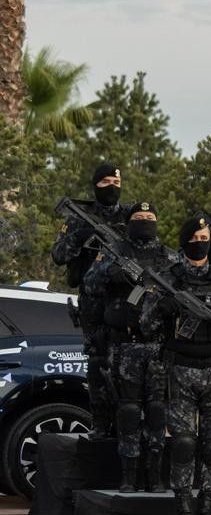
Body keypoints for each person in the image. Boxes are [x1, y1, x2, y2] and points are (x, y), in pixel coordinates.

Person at [140, 217, 211, 515]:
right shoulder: (165, 280)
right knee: (184, 444)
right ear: (185, 240)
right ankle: (183, 512)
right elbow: (145, 325)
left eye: (205, 237)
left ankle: (208, 510)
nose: (200, 242)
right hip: (180, 371)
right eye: (195, 237)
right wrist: (162, 307)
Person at [81, 201, 177, 492]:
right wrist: (112, 274)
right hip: (124, 346)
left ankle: (156, 476)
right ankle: (129, 477)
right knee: (128, 413)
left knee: (158, 412)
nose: (145, 221)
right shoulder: (114, 252)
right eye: (139, 217)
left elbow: (182, 288)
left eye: (150, 217)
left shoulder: (168, 256)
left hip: (158, 346)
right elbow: (89, 283)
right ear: (129, 221)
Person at [52, 162, 127, 438]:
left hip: (124, 300)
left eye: (116, 182)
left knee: (124, 364)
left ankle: (126, 423)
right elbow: (59, 255)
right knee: (97, 364)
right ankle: (99, 424)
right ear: (96, 185)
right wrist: (80, 237)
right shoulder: (79, 217)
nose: (112, 188)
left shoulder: (130, 217)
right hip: (93, 302)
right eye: (106, 182)